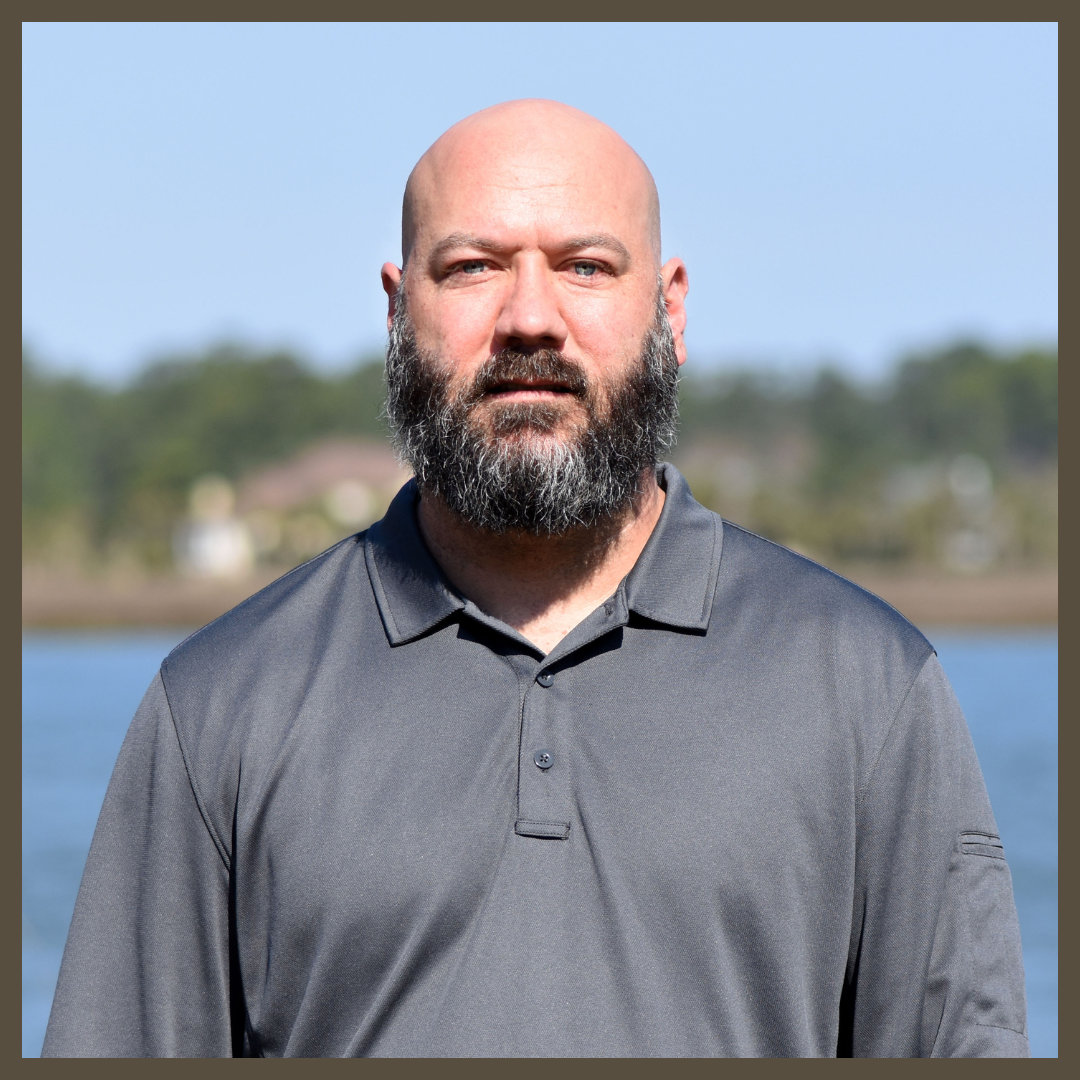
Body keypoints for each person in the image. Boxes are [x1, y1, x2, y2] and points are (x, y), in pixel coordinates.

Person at [43, 99, 1029, 1058]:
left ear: (670, 309)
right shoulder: (220, 705)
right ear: (397, 311)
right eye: (471, 267)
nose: (529, 319)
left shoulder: (869, 690)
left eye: (585, 267)